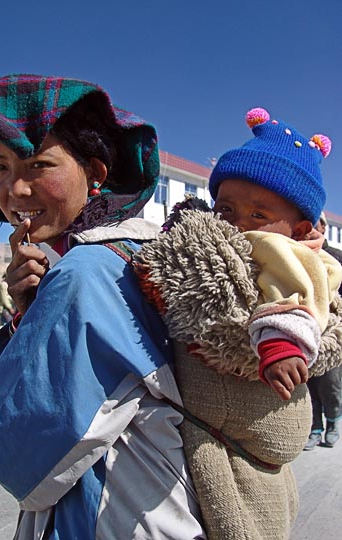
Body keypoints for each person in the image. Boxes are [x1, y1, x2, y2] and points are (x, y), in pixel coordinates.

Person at [0, 74, 206, 540]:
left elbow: (19, 446)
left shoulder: (87, 270)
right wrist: (30, 312)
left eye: (38, 164)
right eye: (0, 167)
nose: (14, 189)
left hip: (120, 511)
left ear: (95, 175)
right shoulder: (118, 258)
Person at [134, 108, 342, 539]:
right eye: (225, 208)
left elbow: (294, 300)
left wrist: (280, 346)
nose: (238, 223)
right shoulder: (225, 242)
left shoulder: (283, 252)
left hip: (256, 396)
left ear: (299, 228)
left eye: (258, 215)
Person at [304, 212, 342, 449]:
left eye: (315, 224)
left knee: (330, 382)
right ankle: (314, 427)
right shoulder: (297, 253)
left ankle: (334, 420)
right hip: (306, 328)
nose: (311, 228)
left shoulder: (336, 258)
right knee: (308, 383)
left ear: (324, 228)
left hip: (332, 330)